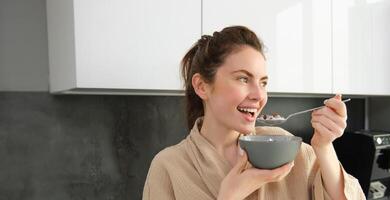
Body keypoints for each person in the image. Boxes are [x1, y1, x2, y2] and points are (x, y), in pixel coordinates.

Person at [142, 26, 365, 200]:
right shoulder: (169, 167)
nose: (259, 95)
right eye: (243, 78)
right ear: (202, 86)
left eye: (263, 82)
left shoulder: (287, 148)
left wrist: (324, 148)